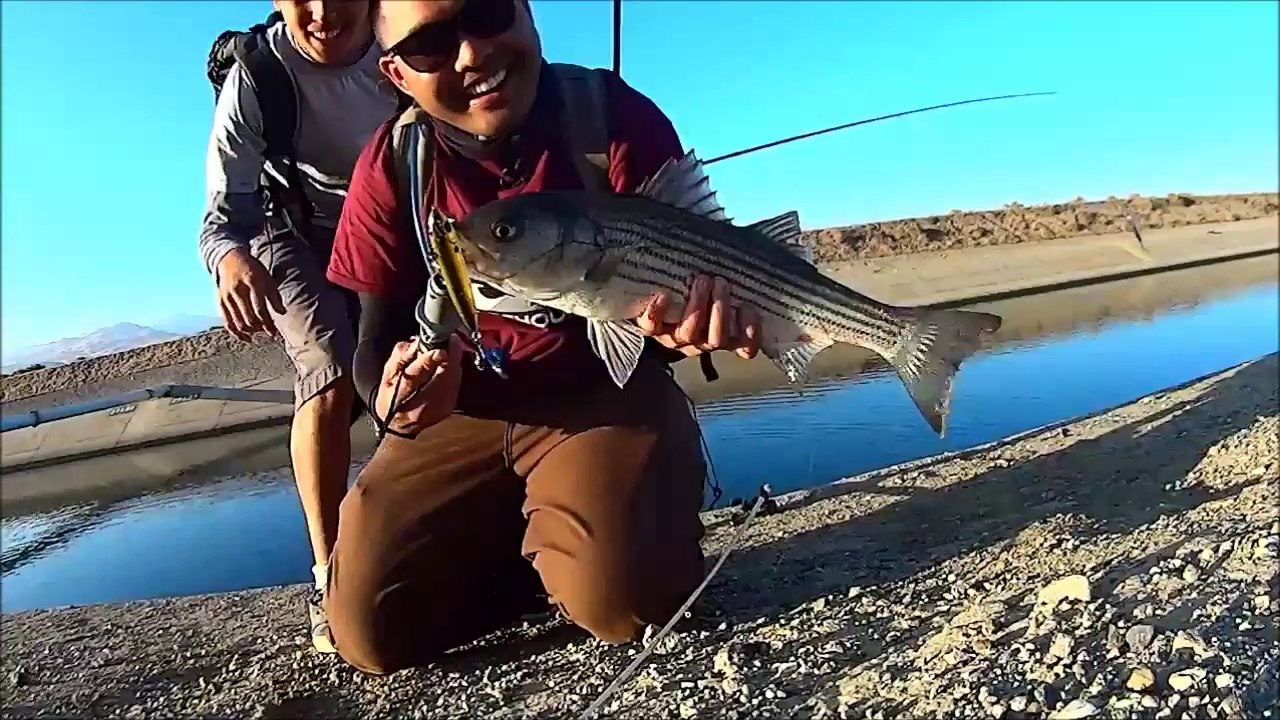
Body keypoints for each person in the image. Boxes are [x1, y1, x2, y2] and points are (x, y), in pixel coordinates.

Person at [321, 0, 762, 675]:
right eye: (430, 47)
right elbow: (371, 343)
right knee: (368, 634)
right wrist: (396, 396)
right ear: (396, 75)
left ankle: (602, 529)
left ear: (527, 13)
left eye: (488, 13)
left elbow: (667, 304)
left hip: (598, 398)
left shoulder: (613, 117)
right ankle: (542, 545)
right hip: (461, 410)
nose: (471, 54)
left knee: (624, 605)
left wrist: (689, 335)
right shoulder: (394, 164)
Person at [198, 0, 400, 653]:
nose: (322, 11)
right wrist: (231, 264)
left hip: (388, 225)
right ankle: (328, 575)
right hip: (288, 236)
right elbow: (221, 221)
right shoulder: (257, 77)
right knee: (331, 367)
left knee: (416, 361)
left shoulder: (405, 42)